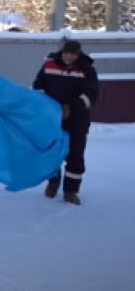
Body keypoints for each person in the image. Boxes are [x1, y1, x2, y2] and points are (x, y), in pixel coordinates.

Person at [33, 40, 99, 205]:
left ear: (78, 55)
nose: (69, 56)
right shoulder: (49, 65)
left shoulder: (87, 69)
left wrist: (72, 107)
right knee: (52, 152)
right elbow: (38, 86)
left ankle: (71, 191)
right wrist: (46, 105)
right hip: (52, 119)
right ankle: (53, 183)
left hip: (77, 120)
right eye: (66, 53)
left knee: (75, 155)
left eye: (73, 54)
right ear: (62, 53)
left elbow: (92, 94)